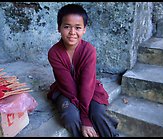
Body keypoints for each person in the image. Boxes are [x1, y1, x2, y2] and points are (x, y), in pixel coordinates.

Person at [47, 4, 119, 137]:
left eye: (78, 27)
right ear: (59, 28)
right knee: (71, 117)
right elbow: (69, 87)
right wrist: (84, 119)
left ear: (84, 29)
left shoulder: (89, 50)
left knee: (97, 113)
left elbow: (86, 85)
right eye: (67, 26)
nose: (72, 32)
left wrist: (86, 119)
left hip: (89, 89)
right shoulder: (54, 53)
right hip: (66, 91)